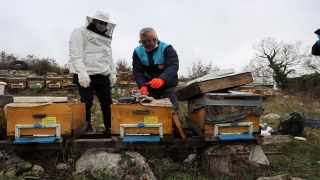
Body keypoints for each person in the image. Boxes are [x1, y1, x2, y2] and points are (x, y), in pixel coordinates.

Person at [69, 11, 117, 135]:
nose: (103, 25)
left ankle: (110, 128)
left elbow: (109, 55)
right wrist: (81, 72)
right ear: (94, 21)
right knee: (86, 102)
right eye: (101, 22)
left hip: (102, 74)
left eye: (105, 24)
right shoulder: (80, 31)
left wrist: (112, 72)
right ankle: (86, 129)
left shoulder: (105, 36)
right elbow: (75, 53)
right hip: (87, 74)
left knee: (107, 102)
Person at [132, 27, 180, 113]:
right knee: (149, 109)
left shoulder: (167, 48)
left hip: (168, 84)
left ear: (156, 38)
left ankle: (173, 126)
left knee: (172, 109)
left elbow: (173, 66)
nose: (148, 44)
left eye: (150, 41)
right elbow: (138, 70)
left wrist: (162, 79)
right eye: (144, 42)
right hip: (150, 86)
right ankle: (153, 126)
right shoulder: (137, 52)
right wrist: (142, 85)